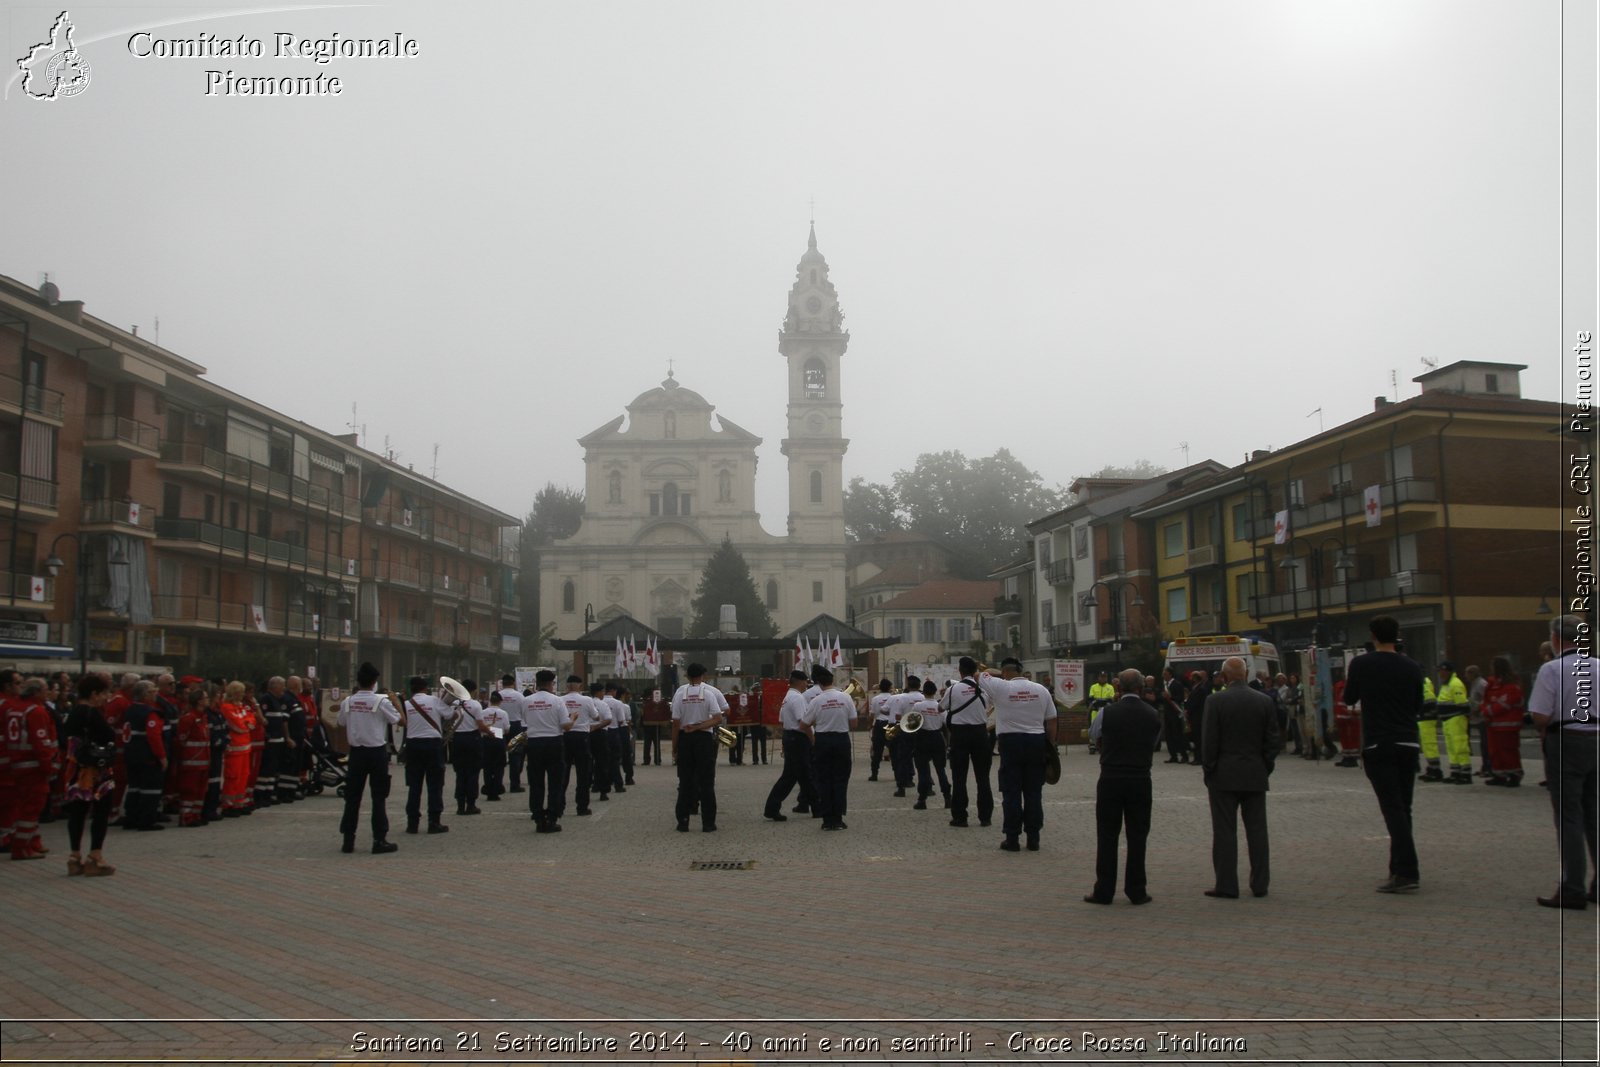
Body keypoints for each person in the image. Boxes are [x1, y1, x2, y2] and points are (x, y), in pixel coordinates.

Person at [1341, 615, 1425, 893]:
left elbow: (1350, 697)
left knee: (1392, 808)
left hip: (1379, 742)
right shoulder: (1412, 666)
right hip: (1408, 741)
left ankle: (1407, 871)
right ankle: (1398, 865)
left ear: (1373, 636)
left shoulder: (1362, 664)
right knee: (1404, 807)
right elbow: (1417, 704)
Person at [1527, 614, 1600, 909]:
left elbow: (1540, 715)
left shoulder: (1552, 669)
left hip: (1565, 739)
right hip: (1596, 738)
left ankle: (1572, 886)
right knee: (1594, 813)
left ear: (1556, 639)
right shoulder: (1599, 666)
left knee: (1569, 815)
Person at [1201, 657, 1280, 899]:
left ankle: (1227, 884)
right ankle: (1260, 884)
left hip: (1223, 775)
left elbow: (1209, 741)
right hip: (1255, 773)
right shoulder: (1264, 701)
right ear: (1245, 675)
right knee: (1257, 831)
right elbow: (1273, 740)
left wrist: (1209, 770)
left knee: (1224, 831)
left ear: (1224, 678)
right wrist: (1264, 766)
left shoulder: (1215, 701)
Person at [1084, 668, 1160, 905]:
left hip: (1111, 778)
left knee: (1107, 834)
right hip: (1140, 778)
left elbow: (1093, 734)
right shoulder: (1152, 713)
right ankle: (1137, 889)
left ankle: (1104, 890)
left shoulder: (1107, 712)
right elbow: (1154, 740)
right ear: (1141, 688)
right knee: (1138, 835)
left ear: (1119, 688)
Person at [980, 657, 1058, 853]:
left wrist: (998, 673)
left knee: (1011, 791)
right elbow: (1051, 721)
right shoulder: (1041, 690)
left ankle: (1012, 838)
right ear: (1022, 671)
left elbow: (979, 674)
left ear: (1005, 672)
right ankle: (1033, 838)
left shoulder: (1000, 687)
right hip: (1036, 741)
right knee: (1033, 792)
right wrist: (1050, 746)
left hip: (1010, 743)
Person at [335, 662, 400, 855]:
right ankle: (379, 840)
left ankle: (348, 840)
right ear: (374, 683)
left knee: (352, 798)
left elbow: (340, 722)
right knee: (378, 797)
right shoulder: (381, 701)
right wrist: (396, 702)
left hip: (356, 753)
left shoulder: (348, 701)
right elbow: (398, 720)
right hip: (376, 752)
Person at [61, 675, 117, 876]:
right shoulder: (91, 713)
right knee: (101, 811)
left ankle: (74, 856)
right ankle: (95, 856)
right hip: (96, 770)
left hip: (75, 768)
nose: (106, 698)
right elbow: (109, 736)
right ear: (94, 694)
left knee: (77, 812)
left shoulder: (72, 712)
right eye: (103, 693)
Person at [6, 677, 59, 859]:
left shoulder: (14, 709)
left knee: (24, 806)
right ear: (36, 692)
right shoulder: (36, 711)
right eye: (45, 689)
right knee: (32, 808)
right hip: (34, 767)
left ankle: (32, 842)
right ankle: (21, 848)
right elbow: (41, 743)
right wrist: (49, 767)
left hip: (17, 764)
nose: (48, 693)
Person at [670, 663, 727, 832]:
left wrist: (675, 747)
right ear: (703, 675)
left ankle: (683, 821)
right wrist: (700, 726)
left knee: (685, 781)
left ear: (687, 676)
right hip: (704, 739)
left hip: (685, 739)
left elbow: (675, 723)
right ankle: (708, 823)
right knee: (706, 782)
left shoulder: (680, 694)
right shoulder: (709, 694)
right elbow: (717, 718)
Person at [800, 666, 856, 830]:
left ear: (818, 682)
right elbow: (854, 723)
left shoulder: (816, 700)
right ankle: (838, 818)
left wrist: (820, 723)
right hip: (841, 739)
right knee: (840, 779)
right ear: (832, 680)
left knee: (823, 780)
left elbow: (804, 725)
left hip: (823, 740)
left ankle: (827, 819)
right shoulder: (846, 698)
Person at [941, 657, 993, 828]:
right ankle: (985, 817)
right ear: (974, 671)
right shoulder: (982, 690)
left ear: (960, 671)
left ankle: (960, 817)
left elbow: (941, 708)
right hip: (980, 733)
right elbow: (988, 705)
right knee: (983, 777)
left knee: (959, 777)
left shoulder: (953, 689)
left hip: (960, 735)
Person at [399, 676, 450, 835]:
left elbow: (401, 721)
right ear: (425, 688)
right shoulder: (434, 701)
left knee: (414, 785)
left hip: (413, 745)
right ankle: (434, 822)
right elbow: (449, 715)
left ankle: (412, 824)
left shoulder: (406, 704)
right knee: (435, 784)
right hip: (433, 745)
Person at [521, 670, 570, 833]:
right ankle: (552, 817)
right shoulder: (557, 700)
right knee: (555, 782)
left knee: (536, 782)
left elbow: (525, 722)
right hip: (553, 742)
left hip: (534, 742)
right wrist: (574, 719)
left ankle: (538, 818)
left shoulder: (526, 701)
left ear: (536, 682)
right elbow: (565, 725)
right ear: (552, 683)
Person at [763, 670, 814, 821]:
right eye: (805, 681)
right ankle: (772, 807)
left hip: (791, 737)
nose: (806, 684)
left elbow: (783, 721)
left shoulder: (788, 696)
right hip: (798, 738)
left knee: (798, 776)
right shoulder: (797, 698)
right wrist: (813, 739)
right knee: (799, 775)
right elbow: (803, 722)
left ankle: (816, 806)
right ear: (800, 681)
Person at [118, 680, 167, 832]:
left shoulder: (130, 710)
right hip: (147, 756)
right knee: (150, 788)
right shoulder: (150, 713)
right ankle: (147, 819)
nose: (156, 694)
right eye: (153, 691)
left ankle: (131, 817)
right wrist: (162, 757)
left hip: (131, 755)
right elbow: (154, 737)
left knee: (134, 787)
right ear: (145, 695)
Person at [560, 676, 600, 817]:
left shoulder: (561, 699)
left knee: (562, 773)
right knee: (583, 773)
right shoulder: (586, 700)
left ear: (567, 685)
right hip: (582, 737)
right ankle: (582, 807)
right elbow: (596, 716)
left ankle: (559, 806)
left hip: (565, 736)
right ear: (579, 685)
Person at [1481, 656, 1525, 788]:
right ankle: (1499, 774)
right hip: (1493, 725)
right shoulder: (1492, 684)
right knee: (1495, 751)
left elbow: (1504, 704)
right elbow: (1486, 700)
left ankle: (1514, 775)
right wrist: (1485, 710)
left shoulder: (1511, 685)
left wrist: (1487, 711)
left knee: (1508, 751)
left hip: (1508, 725)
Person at [447, 679, 486, 817]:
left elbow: (449, 721)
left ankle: (460, 805)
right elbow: (480, 725)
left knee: (460, 773)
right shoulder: (475, 705)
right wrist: (490, 732)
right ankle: (471, 804)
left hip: (457, 739)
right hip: (472, 739)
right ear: (473, 690)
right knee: (473, 772)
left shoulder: (454, 704)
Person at [175, 688, 212, 827]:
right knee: (189, 790)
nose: (208, 700)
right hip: (191, 761)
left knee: (201, 790)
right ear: (199, 701)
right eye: (206, 697)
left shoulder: (202, 717)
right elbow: (181, 740)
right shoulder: (189, 718)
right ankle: (186, 815)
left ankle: (196, 814)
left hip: (203, 760)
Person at [910, 680, 950, 810]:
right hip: (937, 737)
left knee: (923, 771)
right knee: (941, 770)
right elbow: (946, 725)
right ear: (935, 692)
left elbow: (912, 723)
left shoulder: (918, 706)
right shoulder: (940, 706)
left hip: (922, 737)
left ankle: (922, 800)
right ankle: (947, 798)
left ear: (923, 691)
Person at [219, 682, 255, 816]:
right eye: (240, 692)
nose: (243, 694)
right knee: (232, 776)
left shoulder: (242, 707)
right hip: (234, 748)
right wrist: (247, 724)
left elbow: (251, 720)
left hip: (245, 746)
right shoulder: (227, 708)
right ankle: (228, 804)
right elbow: (239, 725)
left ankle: (239, 802)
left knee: (244, 775)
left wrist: (248, 723)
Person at [1435, 662, 1473, 785]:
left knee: (1460, 745)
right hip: (1448, 720)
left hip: (1456, 719)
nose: (1439, 673)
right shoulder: (1447, 684)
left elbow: (1462, 704)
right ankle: (1455, 771)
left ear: (1447, 671)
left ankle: (1465, 773)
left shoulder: (1455, 684)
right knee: (1451, 747)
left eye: (1441, 670)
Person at [497, 674, 528, 793]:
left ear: (502, 683)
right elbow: (524, 712)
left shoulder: (498, 695)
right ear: (513, 683)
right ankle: (515, 784)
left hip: (499, 726)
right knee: (515, 755)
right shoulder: (519, 696)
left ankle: (498, 783)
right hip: (516, 725)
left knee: (498, 755)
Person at [479, 690, 510, 801]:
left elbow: (480, 727)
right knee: (499, 766)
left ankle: (488, 789)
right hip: (499, 740)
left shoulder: (483, 712)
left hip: (486, 740)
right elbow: (506, 730)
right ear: (500, 701)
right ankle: (496, 790)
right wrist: (497, 731)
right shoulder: (503, 713)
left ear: (490, 701)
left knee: (487, 767)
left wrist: (489, 731)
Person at [1159, 668, 1190, 764]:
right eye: (1163, 674)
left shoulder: (1177, 684)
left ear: (1170, 674)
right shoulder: (1164, 685)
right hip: (1167, 713)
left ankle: (1184, 756)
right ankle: (1173, 756)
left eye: (1165, 674)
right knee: (1169, 735)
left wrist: (1170, 697)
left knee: (1178, 735)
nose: (1163, 676)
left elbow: (1180, 698)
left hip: (1175, 713)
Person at [867, 679, 894, 781]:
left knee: (877, 750)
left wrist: (869, 725)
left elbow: (872, 714)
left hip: (879, 724)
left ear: (880, 687)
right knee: (893, 749)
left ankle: (874, 774)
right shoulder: (894, 698)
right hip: (891, 724)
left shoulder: (875, 699)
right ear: (890, 687)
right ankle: (897, 773)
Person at [1088, 672, 1115, 755]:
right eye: (1101, 677)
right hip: (1095, 711)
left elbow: (1111, 698)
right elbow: (1092, 698)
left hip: (1106, 710)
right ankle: (1092, 745)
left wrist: (1100, 700)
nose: (1103, 679)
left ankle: (1104, 744)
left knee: (1106, 727)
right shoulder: (1093, 687)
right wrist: (1101, 700)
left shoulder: (1110, 687)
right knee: (1093, 726)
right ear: (1098, 678)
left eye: (1104, 677)